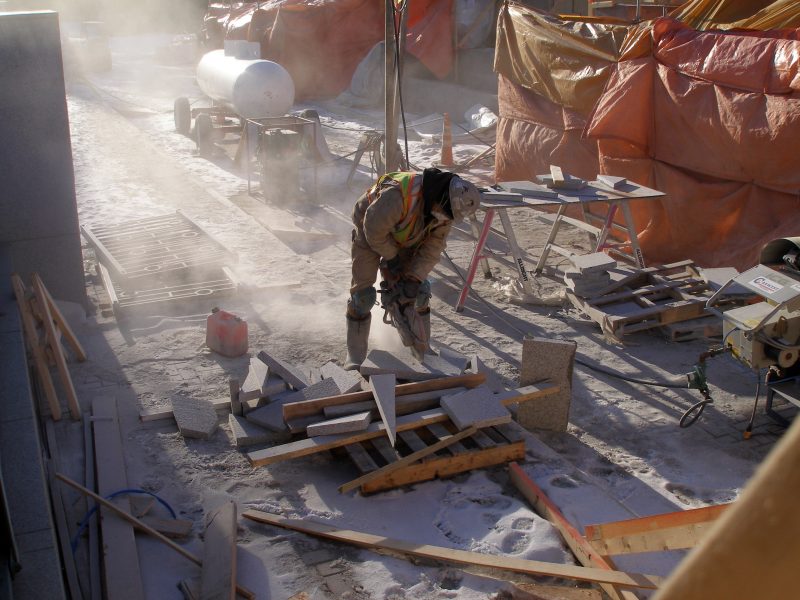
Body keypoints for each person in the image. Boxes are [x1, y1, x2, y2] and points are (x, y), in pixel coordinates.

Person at [345, 168, 482, 370]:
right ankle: (355, 356)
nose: (446, 219)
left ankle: (422, 349)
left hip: (407, 234)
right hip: (370, 229)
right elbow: (374, 231)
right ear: (441, 199)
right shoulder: (399, 195)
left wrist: (414, 279)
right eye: (446, 213)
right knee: (363, 297)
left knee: (419, 293)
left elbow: (433, 248)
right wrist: (392, 259)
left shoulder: (444, 212)